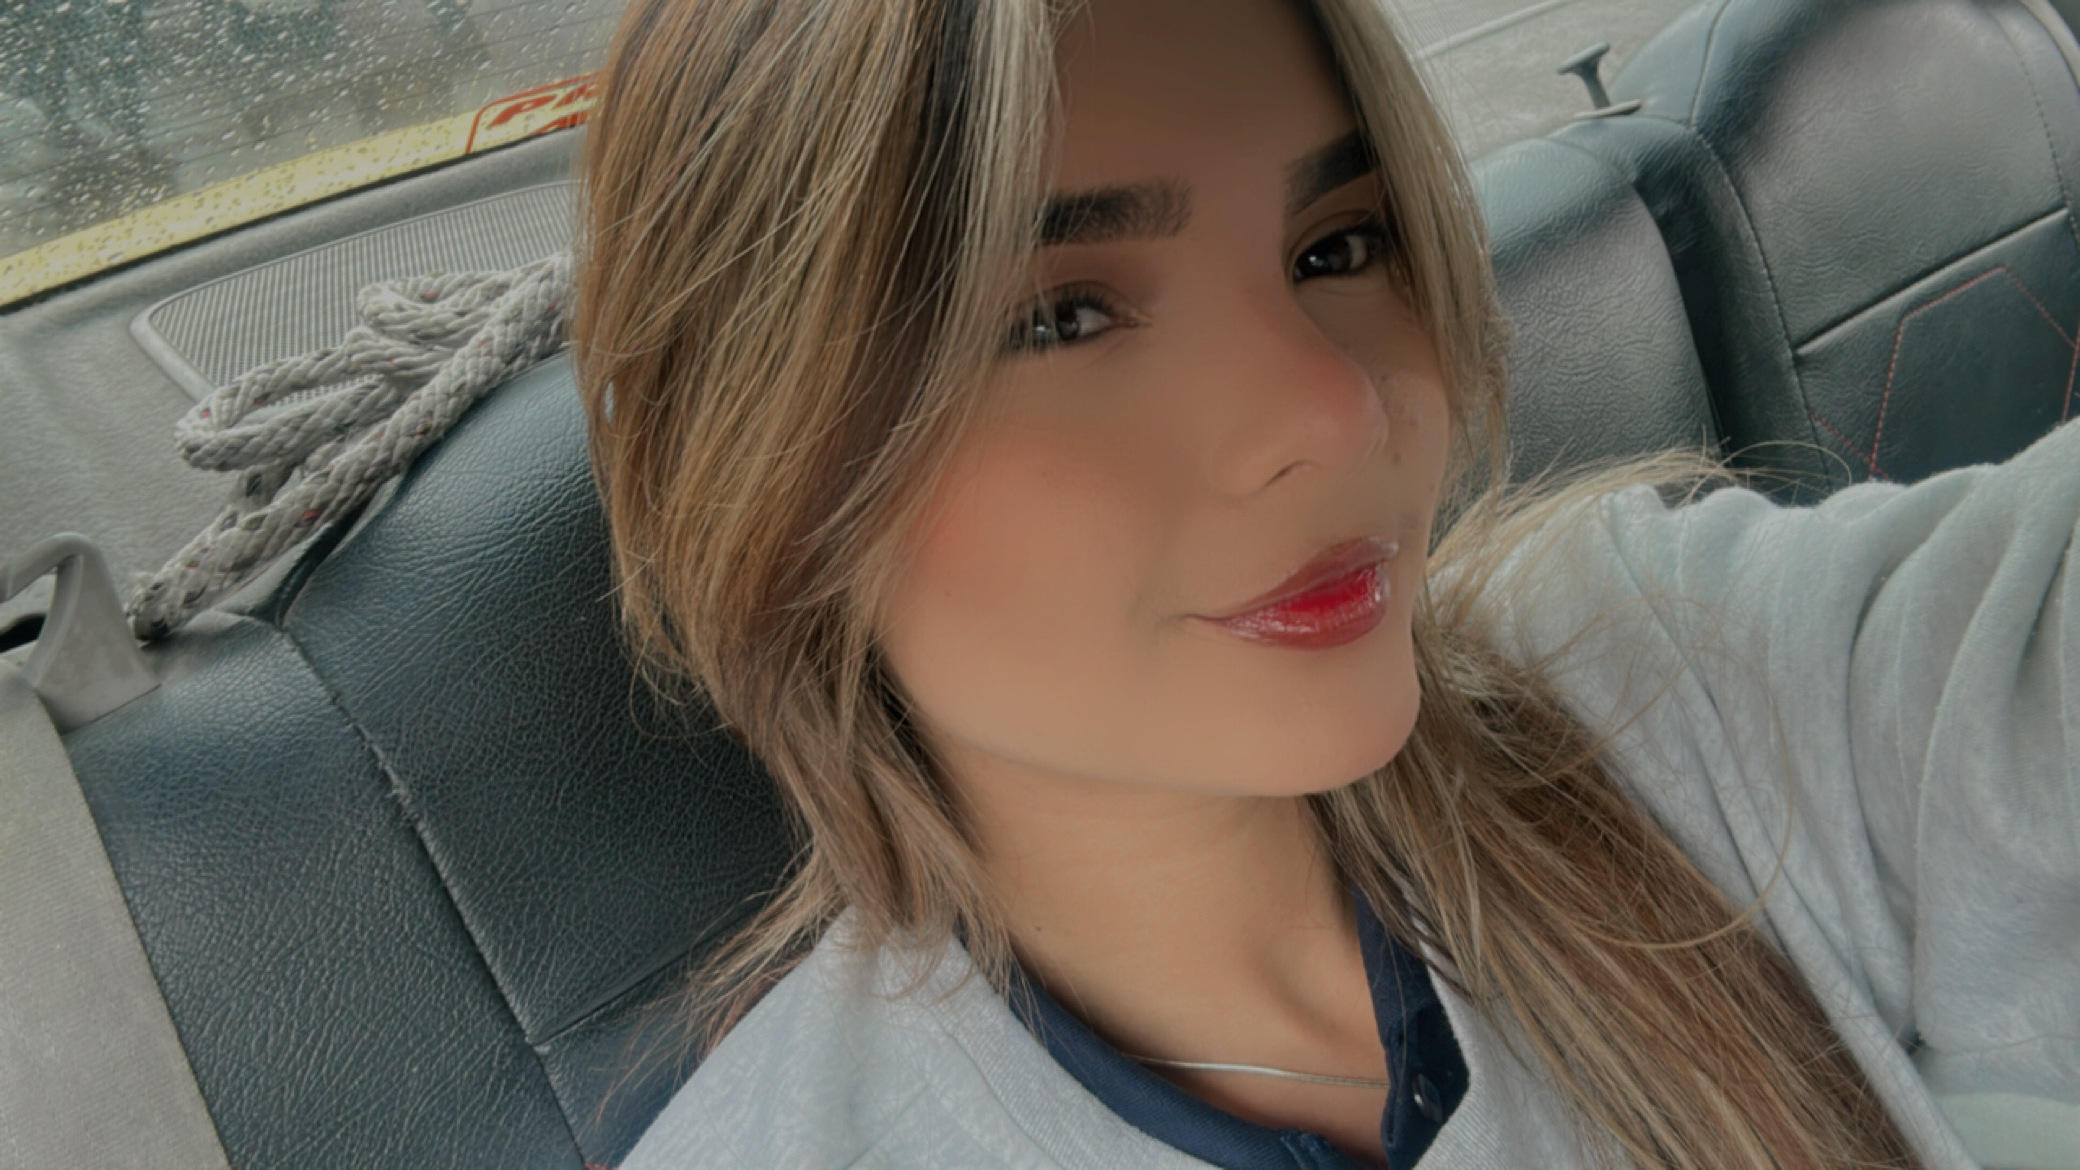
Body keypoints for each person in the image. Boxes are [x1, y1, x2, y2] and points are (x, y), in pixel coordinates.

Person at [570, 1, 2079, 1167]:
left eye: (1337, 244)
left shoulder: (1664, 680)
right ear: (765, 478)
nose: (1337, 411)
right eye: (1061, 319)